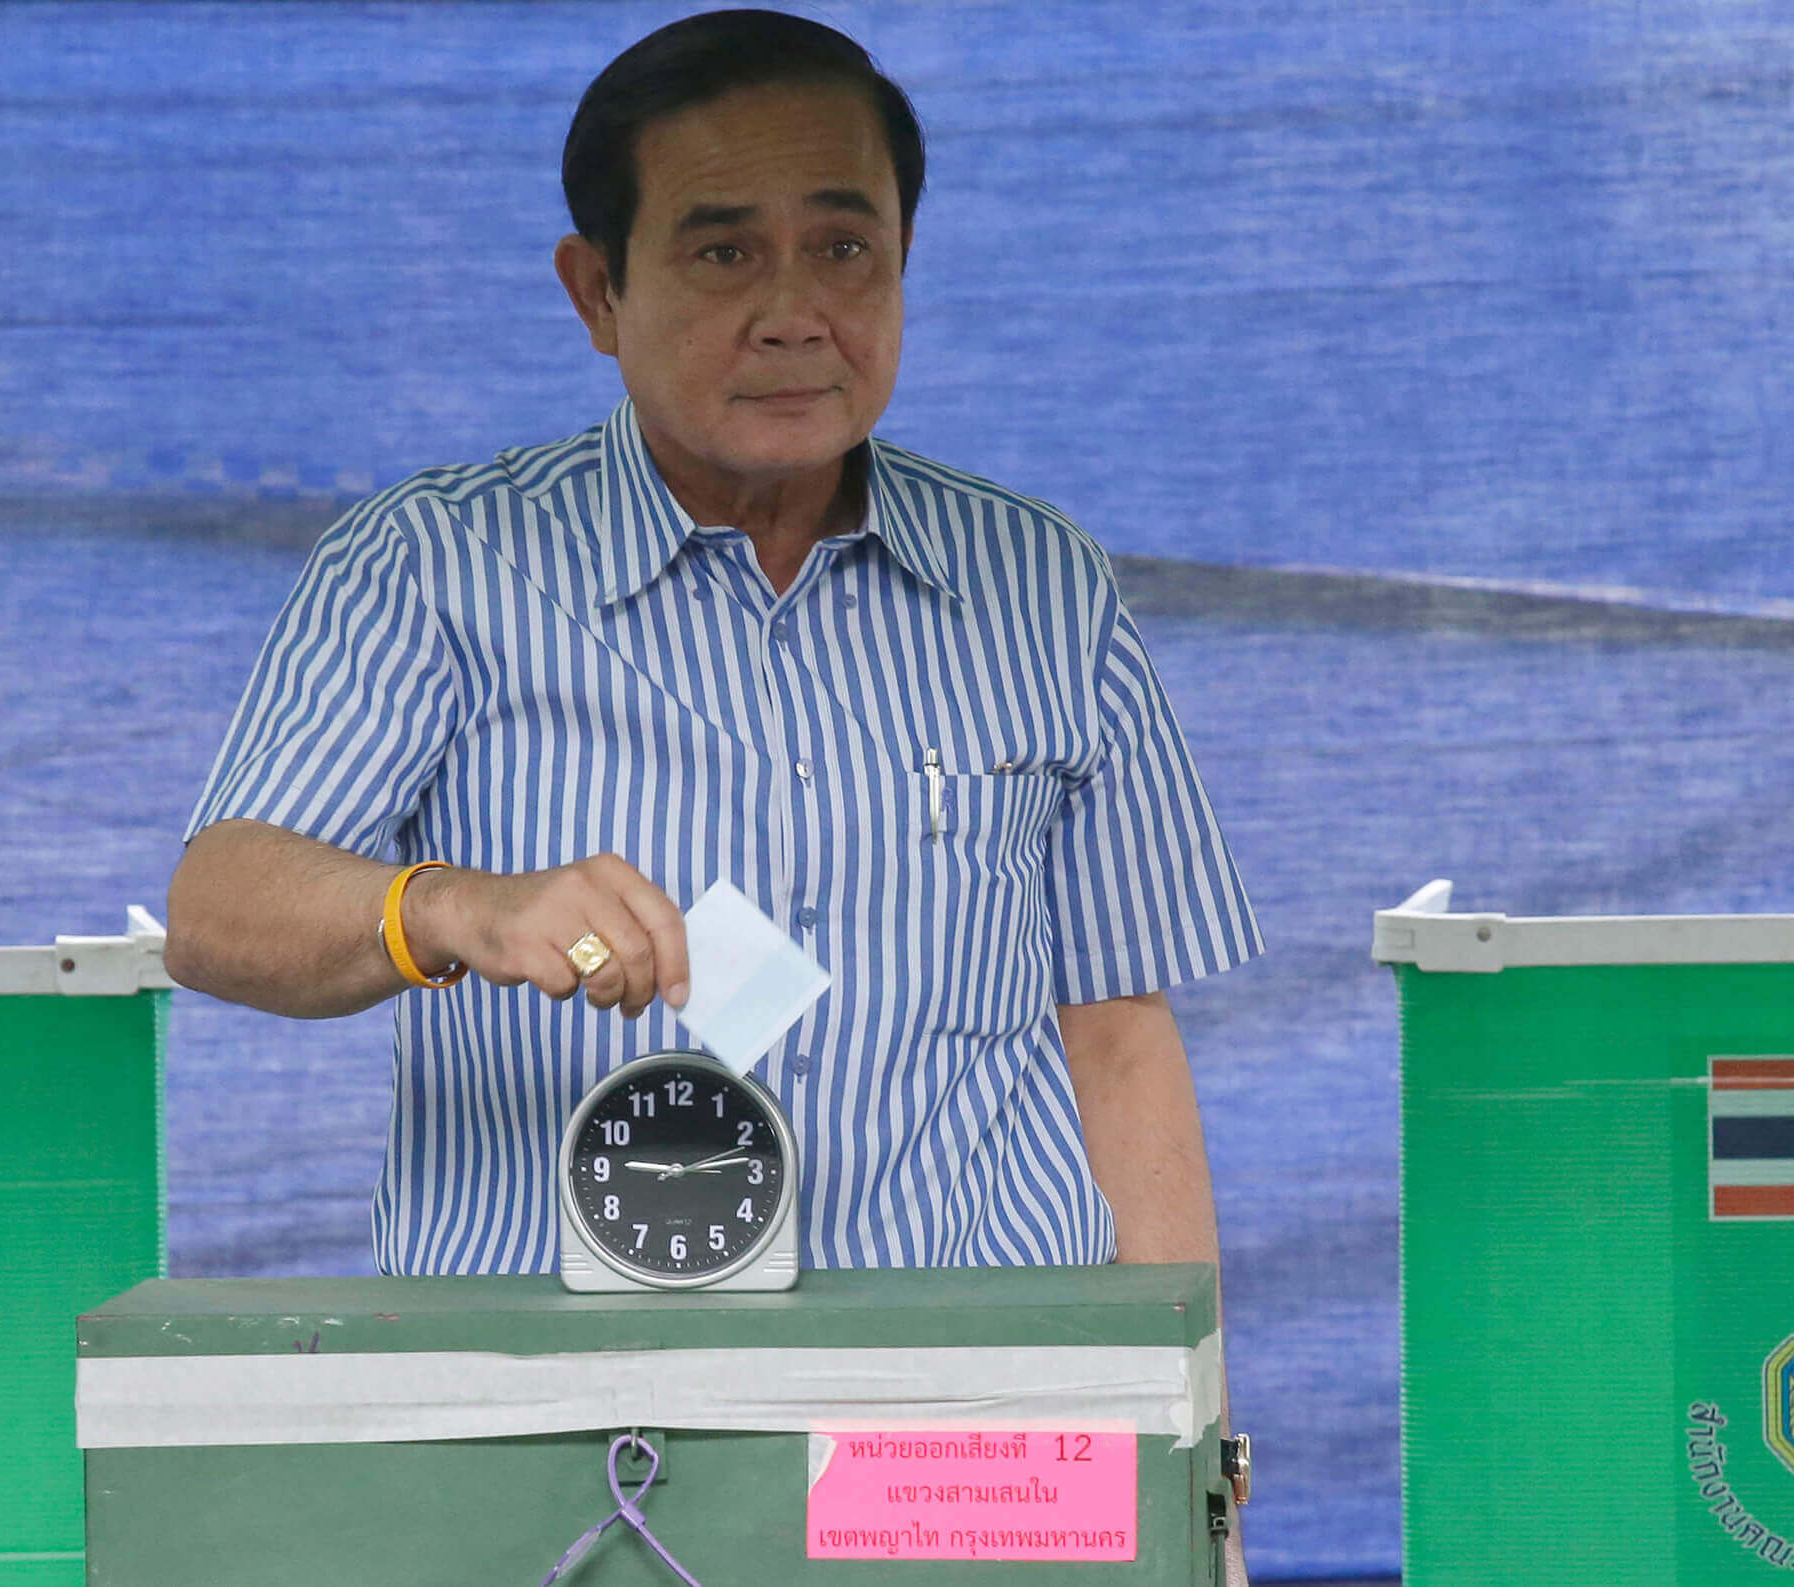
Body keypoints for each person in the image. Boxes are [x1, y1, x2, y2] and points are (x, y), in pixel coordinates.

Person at [166, 11, 1258, 1573]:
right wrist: (457, 910)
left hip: (968, 1452)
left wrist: (1195, 1462)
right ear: (597, 291)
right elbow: (216, 910)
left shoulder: (1042, 585)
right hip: (561, 1447)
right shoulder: (435, 566)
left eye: (846, 249)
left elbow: (1120, 1038)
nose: (798, 314)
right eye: (725, 254)